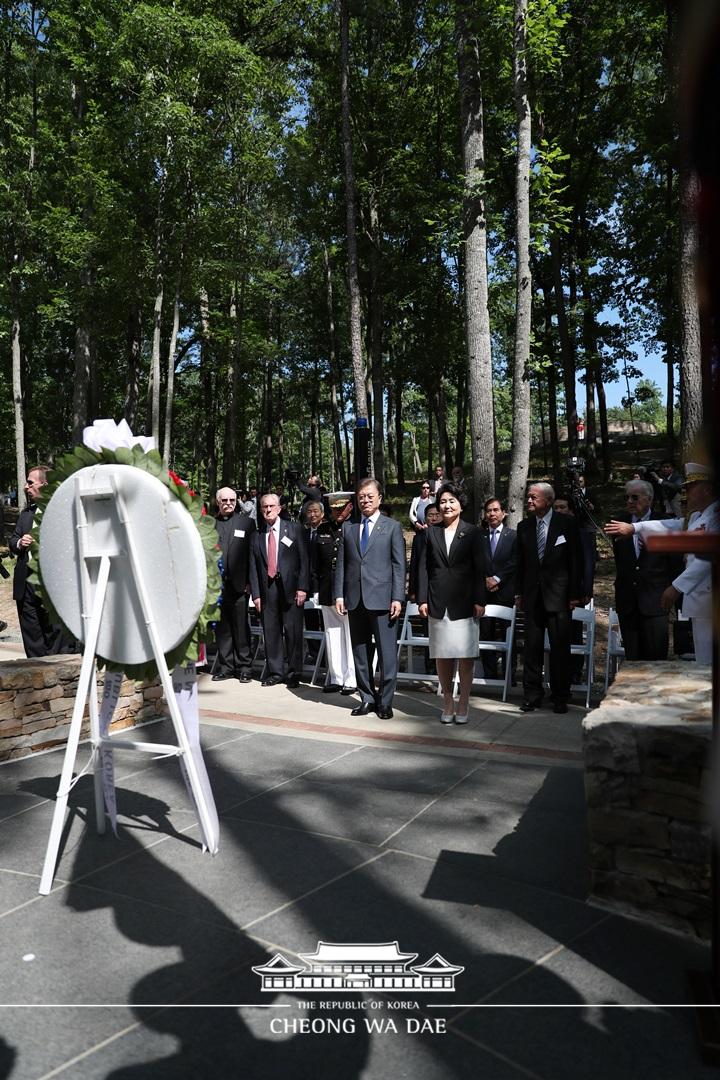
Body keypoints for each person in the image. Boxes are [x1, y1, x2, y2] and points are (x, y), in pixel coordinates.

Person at [605, 463, 718, 663]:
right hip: (701, 600)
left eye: (690, 488)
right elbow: (671, 525)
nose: (685, 492)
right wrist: (635, 527)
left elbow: (706, 560)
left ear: (706, 489)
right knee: (705, 662)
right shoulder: (697, 516)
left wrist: (676, 587)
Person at [334, 478, 405, 719]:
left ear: (379, 498)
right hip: (355, 599)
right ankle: (367, 698)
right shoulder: (348, 527)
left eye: (370, 496)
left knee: (386, 655)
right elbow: (342, 564)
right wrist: (339, 594)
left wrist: (398, 597)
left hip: (384, 600)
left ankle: (385, 702)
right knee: (360, 653)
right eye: (361, 496)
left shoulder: (392, 527)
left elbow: (398, 565)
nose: (365, 500)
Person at [417, 483, 485, 724]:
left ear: (460, 504)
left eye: (451, 501)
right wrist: (422, 598)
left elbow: (480, 569)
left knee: (466, 656)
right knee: (442, 655)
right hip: (437, 601)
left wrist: (480, 599)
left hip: (465, 602)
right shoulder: (430, 532)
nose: (446, 505)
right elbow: (423, 569)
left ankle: (464, 702)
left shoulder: (474, 532)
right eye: (443, 501)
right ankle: (447, 702)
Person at [515, 482, 583, 714]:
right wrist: (519, 593)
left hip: (560, 597)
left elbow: (576, 561)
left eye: (534, 497)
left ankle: (560, 696)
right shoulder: (524, 527)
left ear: (548, 500)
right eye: (528, 497)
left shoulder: (568, 524)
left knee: (559, 649)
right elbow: (520, 564)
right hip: (532, 597)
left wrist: (575, 594)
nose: (529, 501)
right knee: (531, 649)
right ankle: (532, 696)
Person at [603, 479, 682, 661]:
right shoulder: (618, 523)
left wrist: (674, 591)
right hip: (628, 601)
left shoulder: (665, 522)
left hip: (656, 600)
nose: (629, 501)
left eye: (634, 497)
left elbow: (675, 562)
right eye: (626, 497)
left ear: (649, 499)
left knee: (655, 657)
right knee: (633, 658)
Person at [249, 493, 309, 688]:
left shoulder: (294, 529)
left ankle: (294, 672)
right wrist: (256, 595)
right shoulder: (257, 536)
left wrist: (302, 587)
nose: (268, 510)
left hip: (291, 589)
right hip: (268, 590)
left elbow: (304, 561)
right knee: (272, 632)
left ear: (279, 508)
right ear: (261, 509)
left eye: (271, 506)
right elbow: (253, 568)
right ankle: (276, 672)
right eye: (264, 507)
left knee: (293, 632)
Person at [9, 466, 61, 657]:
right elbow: (13, 541)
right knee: (32, 634)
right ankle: (35, 676)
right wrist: (20, 543)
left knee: (55, 633)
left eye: (30, 482)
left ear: (44, 484)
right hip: (26, 583)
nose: (25, 487)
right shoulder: (26, 514)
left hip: (52, 583)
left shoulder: (60, 511)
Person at [305, 501, 356, 695]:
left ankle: (351, 678)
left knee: (351, 636)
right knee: (332, 634)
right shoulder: (323, 529)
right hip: (327, 590)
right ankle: (336, 677)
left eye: (341, 509)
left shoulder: (355, 527)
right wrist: (316, 589)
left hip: (349, 591)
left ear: (350, 507)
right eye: (334, 509)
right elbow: (315, 564)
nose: (338, 512)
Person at [212, 486, 256, 683]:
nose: (228, 503)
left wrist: (250, 582)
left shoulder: (247, 523)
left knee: (241, 627)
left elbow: (253, 556)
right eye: (224, 500)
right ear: (218, 502)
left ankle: (245, 667)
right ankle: (226, 666)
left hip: (240, 586)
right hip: (217, 587)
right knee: (223, 629)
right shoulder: (209, 524)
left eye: (232, 500)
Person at [479, 497, 517, 681]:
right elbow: (474, 562)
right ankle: (489, 674)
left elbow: (515, 561)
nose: (492, 514)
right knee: (485, 634)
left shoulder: (513, 536)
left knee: (508, 633)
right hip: (484, 593)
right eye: (489, 511)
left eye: (495, 510)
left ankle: (509, 675)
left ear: (504, 513)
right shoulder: (479, 537)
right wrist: (485, 579)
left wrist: (497, 579)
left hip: (505, 593)